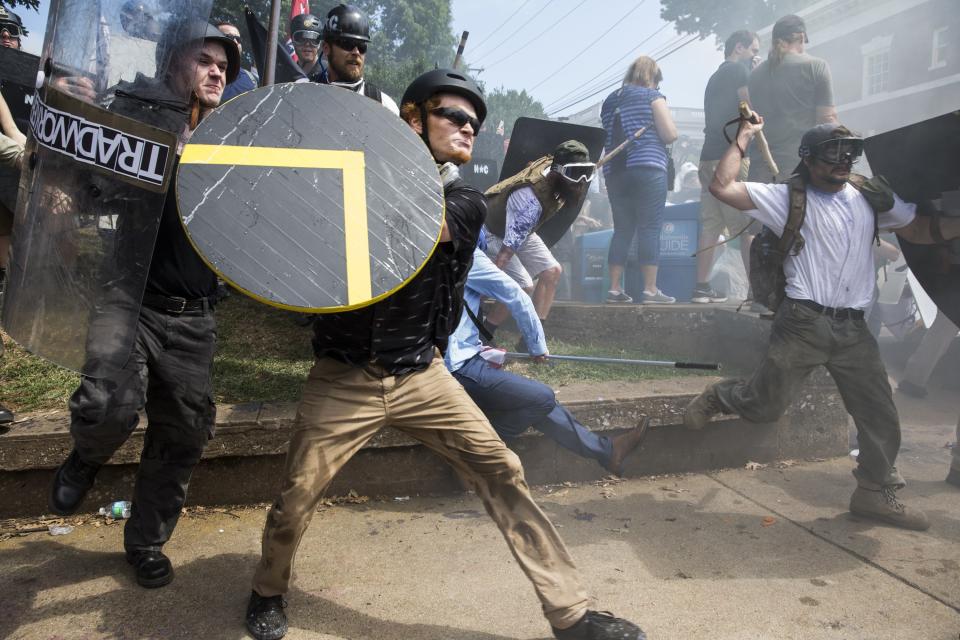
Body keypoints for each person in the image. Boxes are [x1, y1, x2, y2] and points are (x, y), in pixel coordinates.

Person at [244, 68, 645, 640]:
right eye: (451, 116)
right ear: (411, 117)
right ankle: (266, 592)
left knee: (503, 471)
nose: (466, 128)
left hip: (421, 375)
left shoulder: (463, 201)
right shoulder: (350, 177)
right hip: (343, 375)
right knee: (297, 494)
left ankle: (572, 613)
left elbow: (406, 229)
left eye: (473, 123)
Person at [685, 120, 960, 531]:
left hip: (853, 330)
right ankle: (720, 397)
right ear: (809, 159)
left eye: (848, 154)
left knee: (881, 416)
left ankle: (873, 493)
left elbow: (919, 230)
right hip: (802, 323)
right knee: (765, 406)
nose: (842, 162)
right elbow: (722, 187)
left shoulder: (871, 196)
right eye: (832, 154)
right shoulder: (787, 197)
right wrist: (742, 137)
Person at [46, 21, 240, 588]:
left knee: (183, 433)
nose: (216, 72)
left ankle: (147, 542)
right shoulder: (134, 121)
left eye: (223, 67)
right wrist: (72, 130)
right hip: (127, 299)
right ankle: (86, 457)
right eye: (204, 60)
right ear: (171, 64)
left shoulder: (234, 144)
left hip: (194, 315)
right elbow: (85, 187)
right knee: (108, 404)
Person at [448, 245, 650, 473]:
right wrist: (536, 347)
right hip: (457, 367)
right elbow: (516, 294)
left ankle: (607, 451)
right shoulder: (464, 252)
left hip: (456, 359)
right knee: (541, 398)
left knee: (531, 399)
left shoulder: (421, 252)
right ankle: (476, 454)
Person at [481, 140, 595, 340]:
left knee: (552, 272)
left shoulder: (553, 166)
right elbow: (504, 256)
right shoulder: (530, 201)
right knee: (522, 285)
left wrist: (576, 175)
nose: (582, 181)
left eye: (586, 172)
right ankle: (483, 332)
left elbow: (533, 165)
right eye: (576, 174)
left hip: (521, 226)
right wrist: (484, 285)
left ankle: (532, 338)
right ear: (558, 171)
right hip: (491, 230)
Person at [600, 56, 678, 304]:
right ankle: (650, 289)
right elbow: (669, 134)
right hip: (647, 168)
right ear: (652, 78)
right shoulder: (652, 97)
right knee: (649, 228)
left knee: (622, 229)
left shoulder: (610, 100)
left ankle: (614, 289)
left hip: (616, 171)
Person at [693, 29, 759, 304]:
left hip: (707, 156)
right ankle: (757, 291)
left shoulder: (713, 77)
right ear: (740, 48)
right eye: (753, 50)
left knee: (711, 225)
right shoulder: (740, 72)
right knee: (745, 227)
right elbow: (749, 109)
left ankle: (701, 288)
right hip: (732, 157)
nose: (755, 56)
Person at [747, 15, 837, 183]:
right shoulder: (816, 66)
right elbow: (827, 119)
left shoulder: (754, 75)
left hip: (760, 168)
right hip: (797, 167)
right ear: (802, 37)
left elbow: (754, 118)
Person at [317, 3, 399, 115]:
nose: (356, 52)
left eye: (361, 46)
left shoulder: (385, 106)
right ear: (326, 48)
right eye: (347, 44)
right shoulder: (301, 92)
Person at [217, 22, 258, 101]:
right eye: (229, 37)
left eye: (238, 39)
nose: (236, 42)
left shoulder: (250, 79)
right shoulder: (202, 72)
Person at [290, 12, 325, 82]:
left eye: (313, 39)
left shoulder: (329, 74)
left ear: (319, 43)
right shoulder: (288, 75)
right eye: (301, 39)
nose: (307, 44)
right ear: (292, 40)